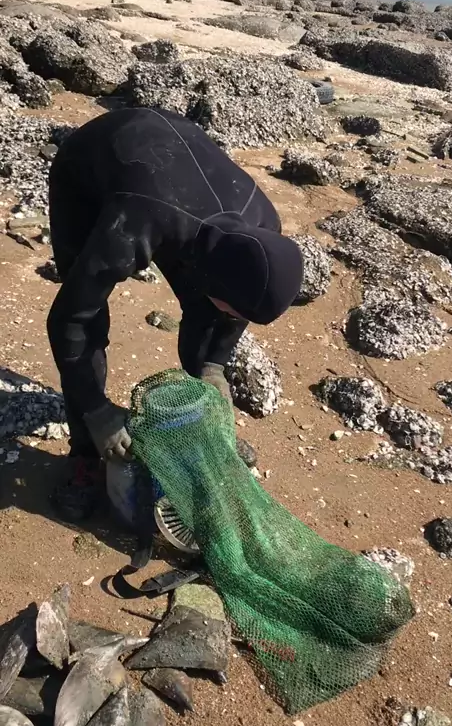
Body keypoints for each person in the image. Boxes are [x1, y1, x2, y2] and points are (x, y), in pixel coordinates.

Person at [47, 107, 303, 522]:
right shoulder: (136, 224)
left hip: (176, 164)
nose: (234, 318)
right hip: (90, 171)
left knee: (211, 320)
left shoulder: (263, 228)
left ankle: (197, 436)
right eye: (234, 310)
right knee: (88, 316)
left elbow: (227, 312)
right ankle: (85, 455)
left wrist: (213, 367)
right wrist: (96, 412)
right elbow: (69, 318)